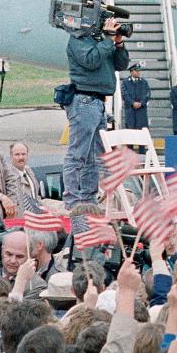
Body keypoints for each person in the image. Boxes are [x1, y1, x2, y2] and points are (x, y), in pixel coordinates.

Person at [62, 15, 129, 208]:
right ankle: (73, 200)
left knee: (94, 156)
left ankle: (88, 199)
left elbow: (121, 65)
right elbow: (90, 60)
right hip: (84, 100)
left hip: (98, 103)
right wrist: (107, 39)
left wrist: (118, 44)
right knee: (78, 153)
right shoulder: (78, 40)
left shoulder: (101, 41)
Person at [121, 62, 151, 130]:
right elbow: (124, 94)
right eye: (136, 71)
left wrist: (141, 103)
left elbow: (147, 94)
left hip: (141, 110)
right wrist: (133, 103)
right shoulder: (125, 82)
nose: (138, 72)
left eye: (139, 71)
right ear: (131, 72)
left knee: (142, 130)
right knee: (131, 130)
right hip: (130, 110)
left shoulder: (144, 82)